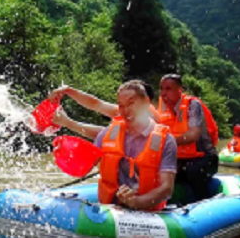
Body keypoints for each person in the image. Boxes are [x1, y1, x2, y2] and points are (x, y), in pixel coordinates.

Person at [51, 80, 177, 211]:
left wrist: (136, 202)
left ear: (146, 102)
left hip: (147, 212)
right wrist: (66, 151)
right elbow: (85, 162)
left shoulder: (165, 139)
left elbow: (166, 189)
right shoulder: (110, 132)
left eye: (131, 103)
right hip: (111, 208)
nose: (125, 110)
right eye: (121, 105)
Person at [157, 74, 220, 201]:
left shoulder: (193, 105)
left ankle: (205, 204)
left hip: (204, 158)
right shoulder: (160, 109)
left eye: (168, 89)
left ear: (180, 90)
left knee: (193, 171)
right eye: (162, 88)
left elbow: (193, 135)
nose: (163, 93)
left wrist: (168, 142)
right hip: (180, 159)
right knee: (155, 170)